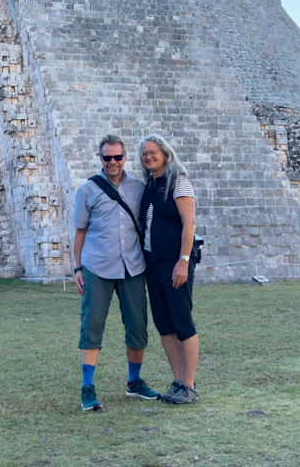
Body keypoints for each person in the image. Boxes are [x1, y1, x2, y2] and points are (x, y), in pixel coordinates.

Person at [73, 135, 161, 411]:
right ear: (100, 158)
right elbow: (80, 230)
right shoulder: (88, 190)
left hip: (132, 266)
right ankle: (88, 388)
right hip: (97, 266)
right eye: (107, 158)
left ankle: (134, 382)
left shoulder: (138, 187)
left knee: (137, 325)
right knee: (92, 325)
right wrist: (76, 267)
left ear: (125, 158)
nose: (113, 162)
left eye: (117, 157)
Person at [138, 134, 200, 404]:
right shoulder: (150, 185)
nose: (149, 157)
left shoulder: (178, 180)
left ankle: (189, 385)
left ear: (165, 153)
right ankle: (178, 381)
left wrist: (183, 261)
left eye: (153, 152)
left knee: (181, 320)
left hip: (175, 261)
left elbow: (190, 223)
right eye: (144, 154)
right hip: (153, 262)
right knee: (163, 323)